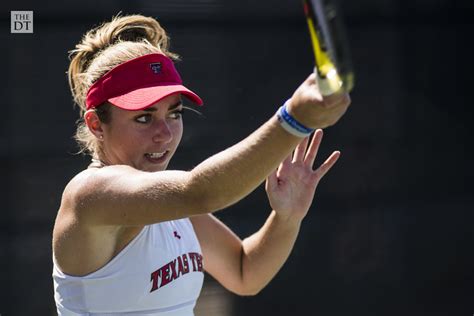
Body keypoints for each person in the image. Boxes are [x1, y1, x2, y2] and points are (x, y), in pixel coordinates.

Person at [52, 14, 351, 315]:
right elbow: (201, 191)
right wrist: (293, 119)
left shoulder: (169, 205)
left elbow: (244, 271)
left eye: (174, 113)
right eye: (144, 117)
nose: (165, 133)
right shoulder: (89, 195)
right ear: (95, 124)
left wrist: (286, 219)